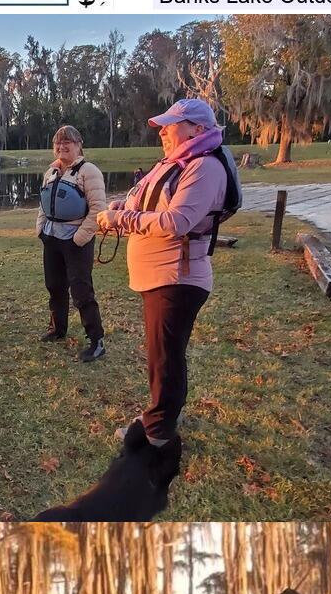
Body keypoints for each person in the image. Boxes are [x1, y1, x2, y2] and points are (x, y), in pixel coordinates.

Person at [96, 98, 232, 454]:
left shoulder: (204, 167)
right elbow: (151, 204)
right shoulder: (179, 162)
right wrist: (122, 208)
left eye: (171, 125)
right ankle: (162, 415)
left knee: (166, 356)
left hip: (177, 278)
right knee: (164, 353)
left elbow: (176, 222)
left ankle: (158, 432)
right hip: (161, 276)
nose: (163, 132)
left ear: (197, 130)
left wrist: (120, 221)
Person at [35, 125, 107, 362]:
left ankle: (96, 340)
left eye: (68, 143)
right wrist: (41, 229)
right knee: (54, 285)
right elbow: (44, 204)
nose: (62, 146)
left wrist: (80, 238)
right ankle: (58, 328)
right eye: (58, 143)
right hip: (52, 237)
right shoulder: (51, 172)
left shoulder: (89, 171)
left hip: (77, 240)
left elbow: (97, 209)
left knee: (81, 290)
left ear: (79, 145)